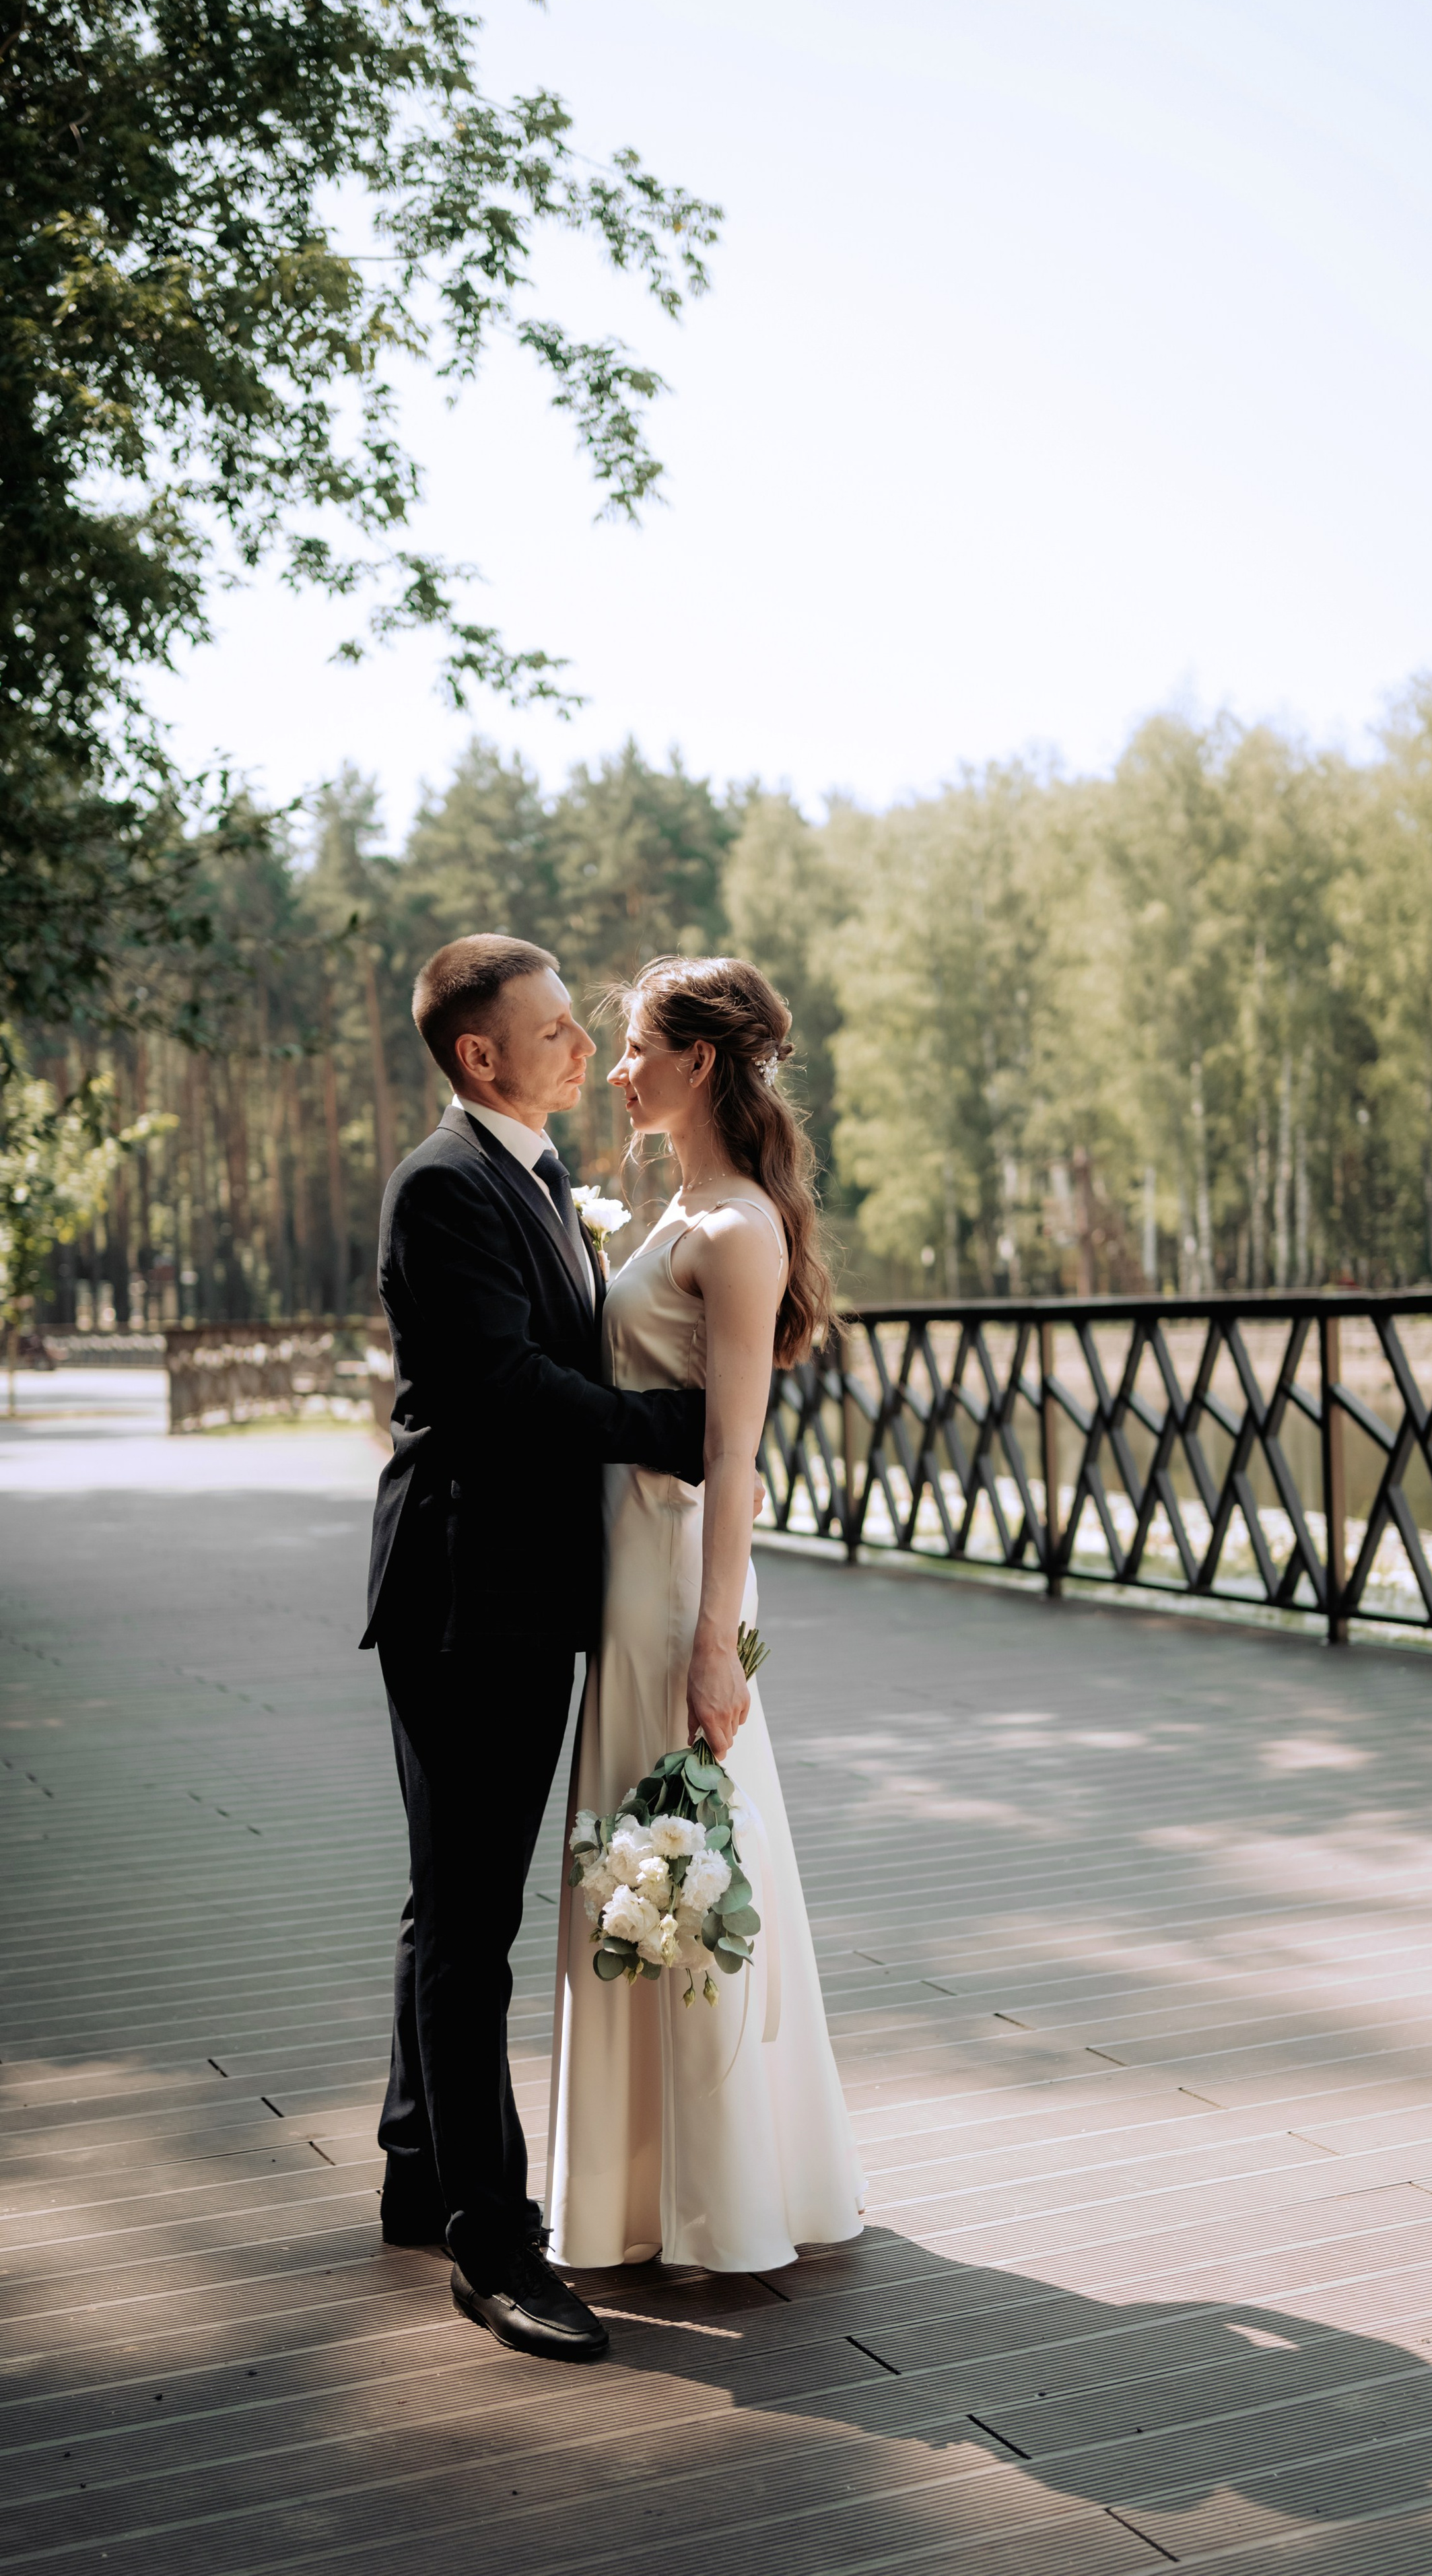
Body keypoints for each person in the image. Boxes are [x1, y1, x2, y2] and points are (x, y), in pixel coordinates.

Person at [363, 935, 706, 2364]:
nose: (582, 1047)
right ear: (479, 1056)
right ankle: (492, 2247)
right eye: (554, 1029)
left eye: (580, 1025)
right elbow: (499, 1384)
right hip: (467, 1597)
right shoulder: (446, 1184)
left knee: (448, 1897)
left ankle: (413, 2168)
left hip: (516, 1591)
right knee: (468, 1926)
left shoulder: (531, 1176)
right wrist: (662, 1433)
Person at [544, 955, 864, 2272]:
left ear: (701, 1063)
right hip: (621, 1571)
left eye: (633, 1048)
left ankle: (718, 2201)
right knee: (624, 1855)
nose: (615, 1070)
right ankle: (622, 2199)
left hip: (677, 1574)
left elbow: (733, 1455)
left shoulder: (737, 1231)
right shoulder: (670, 1215)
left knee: (677, 1851)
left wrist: (713, 1645)